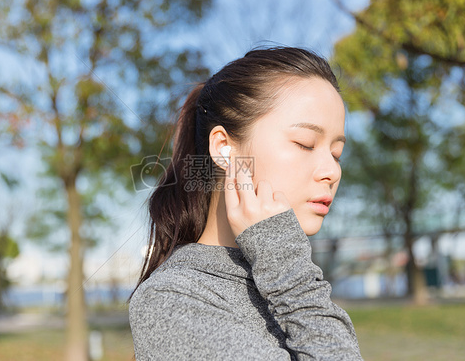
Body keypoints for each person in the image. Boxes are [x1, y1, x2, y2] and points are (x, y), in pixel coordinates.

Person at [128, 46, 364, 360]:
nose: (332, 171)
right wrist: (287, 269)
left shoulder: (286, 278)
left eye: (336, 153)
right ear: (225, 148)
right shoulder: (171, 300)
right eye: (305, 144)